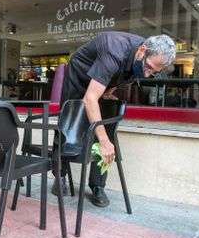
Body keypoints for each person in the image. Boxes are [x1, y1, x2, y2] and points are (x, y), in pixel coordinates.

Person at [52, 31, 176, 208]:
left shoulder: (143, 54)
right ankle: (60, 176)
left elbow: (126, 74)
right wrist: (103, 141)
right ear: (142, 51)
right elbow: (90, 99)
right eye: (148, 68)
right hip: (79, 76)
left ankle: (97, 186)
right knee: (67, 123)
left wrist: (109, 91)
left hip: (104, 79)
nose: (147, 74)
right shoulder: (114, 50)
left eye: (153, 72)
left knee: (105, 127)